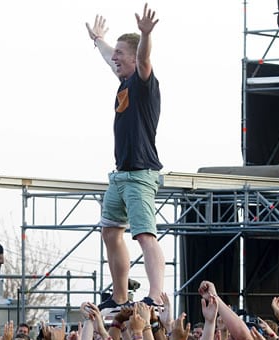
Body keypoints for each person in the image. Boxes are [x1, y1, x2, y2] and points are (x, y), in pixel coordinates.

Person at [85, 3, 165, 311]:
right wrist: (98, 41)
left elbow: (144, 57)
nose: (115, 57)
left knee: (144, 234)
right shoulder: (124, 83)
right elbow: (108, 58)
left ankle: (156, 296)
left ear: (133, 56)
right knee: (110, 231)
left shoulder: (144, 82)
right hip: (120, 175)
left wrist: (145, 35)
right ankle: (120, 296)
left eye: (120, 53)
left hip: (141, 173)